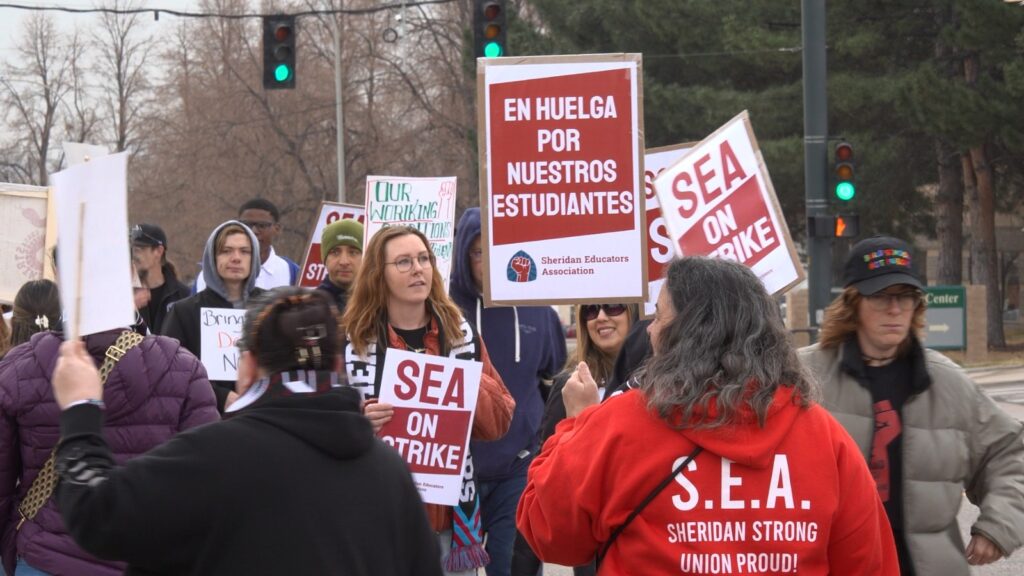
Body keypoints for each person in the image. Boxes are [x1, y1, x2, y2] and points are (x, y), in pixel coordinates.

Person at [517, 257, 900, 575]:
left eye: (660, 318)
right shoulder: (823, 437)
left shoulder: (618, 425)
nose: (649, 332)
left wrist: (576, 425)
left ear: (689, 334)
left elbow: (552, 533)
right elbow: (870, 563)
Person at [50, 287, 441, 576]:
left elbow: (97, 515)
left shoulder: (213, 456)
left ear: (249, 365)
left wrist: (81, 410)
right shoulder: (390, 470)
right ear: (337, 362)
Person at [799, 236, 1024, 575]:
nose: (895, 309)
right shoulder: (803, 377)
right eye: (881, 297)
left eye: (906, 297)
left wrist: (999, 525)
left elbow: (1010, 454)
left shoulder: (947, 383)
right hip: (834, 564)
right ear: (852, 303)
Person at [0, 280, 219, 576]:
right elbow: (202, 486)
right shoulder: (185, 369)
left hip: (42, 556)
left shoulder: (18, 367)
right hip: (141, 556)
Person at [342, 225, 515, 576]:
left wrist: (459, 379)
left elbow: (499, 421)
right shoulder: (352, 346)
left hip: (451, 525)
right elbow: (324, 430)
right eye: (403, 262)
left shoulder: (461, 337)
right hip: (382, 524)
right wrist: (359, 420)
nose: (418, 268)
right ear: (379, 274)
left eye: (423, 259)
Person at [449, 208, 566, 576]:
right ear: (463, 254)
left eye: (500, 250)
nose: (490, 261)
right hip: (458, 472)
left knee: (513, 569)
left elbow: (551, 375)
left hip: (518, 466)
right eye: (480, 252)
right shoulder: (442, 308)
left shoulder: (538, 308)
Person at [512, 302, 637, 576]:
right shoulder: (571, 386)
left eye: (613, 307)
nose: (601, 317)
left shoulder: (661, 383)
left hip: (644, 541)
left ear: (634, 312)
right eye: (590, 311)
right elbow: (545, 472)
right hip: (593, 549)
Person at [163, 221, 264, 412]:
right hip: (206, 417)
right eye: (226, 251)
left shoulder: (272, 308)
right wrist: (219, 396)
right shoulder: (184, 312)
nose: (236, 258)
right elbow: (172, 372)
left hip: (262, 416)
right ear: (212, 257)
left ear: (255, 258)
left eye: (244, 251)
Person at [194, 198, 299, 292]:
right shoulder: (210, 273)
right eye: (246, 224)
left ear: (277, 229)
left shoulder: (292, 272)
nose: (253, 231)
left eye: (262, 225)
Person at [130, 223, 190, 335]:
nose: (134, 255)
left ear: (158, 251)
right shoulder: (124, 296)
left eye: (139, 249)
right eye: (133, 249)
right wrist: (130, 308)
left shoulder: (183, 296)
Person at [316, 218, 363, 313]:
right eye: (335, 252)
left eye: (353, 252)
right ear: (324, 259)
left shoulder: (381, 306)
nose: (344, 261)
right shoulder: (311, 308)